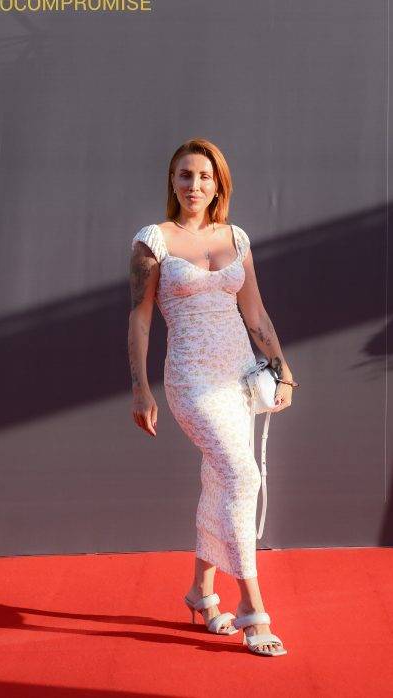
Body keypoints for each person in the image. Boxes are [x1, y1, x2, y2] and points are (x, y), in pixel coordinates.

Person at [127, 138, 297, 657]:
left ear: (218, 184)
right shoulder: (153, 241)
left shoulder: (236, 238)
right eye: (185, 175)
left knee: (219, 478)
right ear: (172, 181)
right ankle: (252, 608)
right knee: (243, 476)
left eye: (204, 176)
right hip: (191, 380)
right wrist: (140, 387)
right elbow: (139, 317)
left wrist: (282, 368)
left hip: (240, 377)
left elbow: (255, 313)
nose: (194, 185)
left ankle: (201, 592)